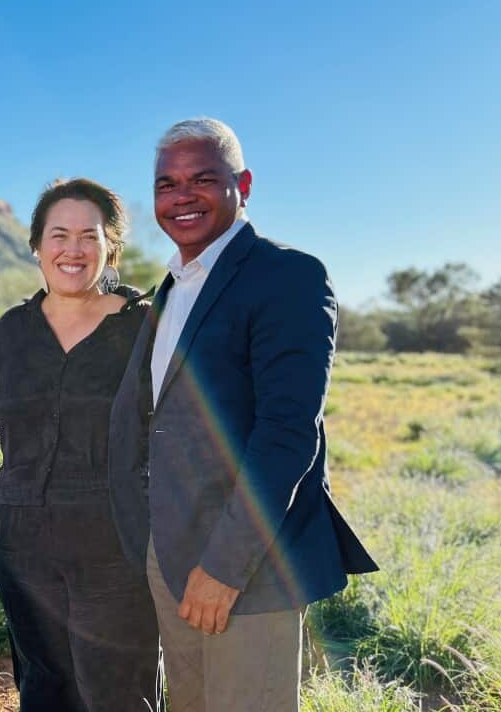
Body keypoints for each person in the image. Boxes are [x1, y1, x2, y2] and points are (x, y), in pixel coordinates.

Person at [108, 118, 378, 712]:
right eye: (166, 184)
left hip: (245, 570)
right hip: (170, 555)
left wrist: (225, 569)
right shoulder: (170, 290)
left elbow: (286, 434)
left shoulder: (287, 276)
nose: (181, 196)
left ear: (243, 185)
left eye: (202, 179)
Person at [0, 179, 159, 711]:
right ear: (37, 244)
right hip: (19, 538)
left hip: (112, 539)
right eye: (59, 234)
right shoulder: (11, 330)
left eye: (90, 235)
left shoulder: (143, 327)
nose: (73, 249)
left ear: (112, 247)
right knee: (43, 690)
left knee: (117, 692)